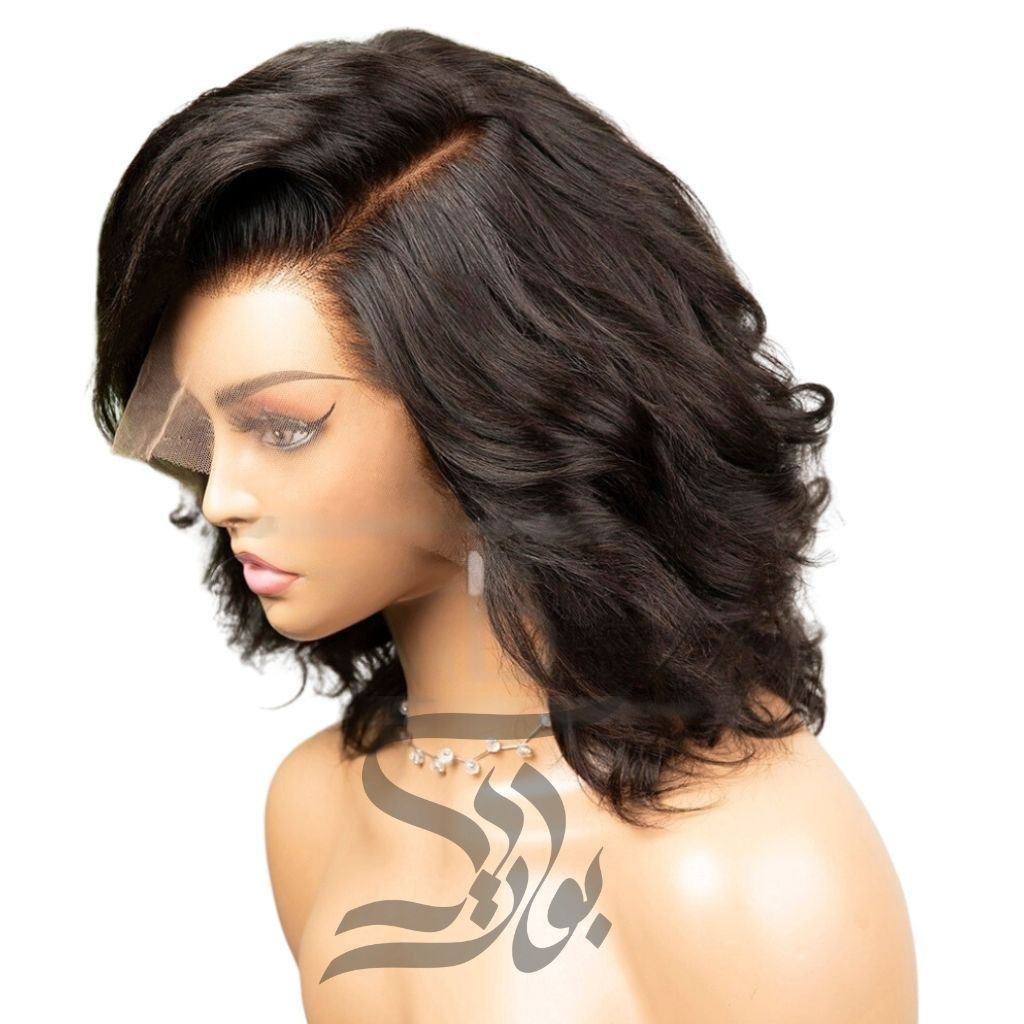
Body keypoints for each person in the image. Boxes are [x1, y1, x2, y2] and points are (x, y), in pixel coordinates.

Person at [92, 28, 917, 1022]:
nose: (221, 492)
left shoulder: (748, 866)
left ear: (495, 408)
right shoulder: (316, 810)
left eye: (283, 427)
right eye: (202, 425)